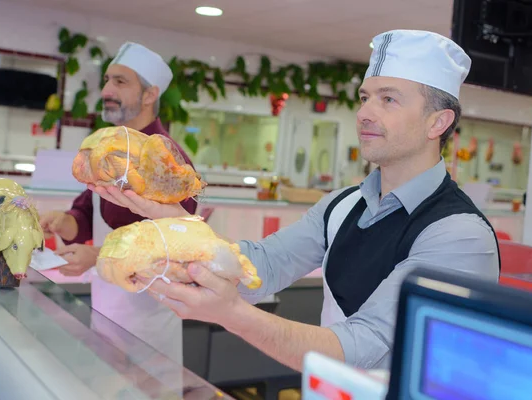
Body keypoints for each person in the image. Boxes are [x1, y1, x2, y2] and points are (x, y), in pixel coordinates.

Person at [91, 30, 501, 371]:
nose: (364, 113)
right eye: (364, 97)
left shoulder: (459, 235)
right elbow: (258, 266)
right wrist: (174, 221)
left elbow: (365, 344)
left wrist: (232, 314)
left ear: (439, 122)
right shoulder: (342, 205)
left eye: (388, 99)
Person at [39, 42, 197, 365]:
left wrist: (96, 256)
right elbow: (87, 211)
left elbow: (173, 246)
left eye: (120, 82)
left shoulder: (170, 162)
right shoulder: (106, 150)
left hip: (149, 331)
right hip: (105, 317)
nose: (107, 90)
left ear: (150, 95)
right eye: (107, 80)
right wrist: (63, 221)